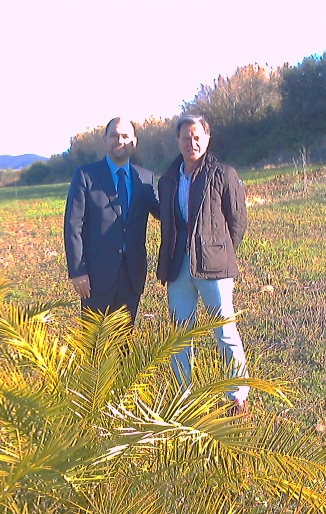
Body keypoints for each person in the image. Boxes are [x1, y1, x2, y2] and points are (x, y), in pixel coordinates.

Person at [157, 114, 249, 414]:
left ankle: (237, 396)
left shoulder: (223, 173)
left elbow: (237, 222)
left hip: (214, 268)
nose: (191, 143)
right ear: (178, 141)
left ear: (207, 139)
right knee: (181, 334)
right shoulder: (168, 180)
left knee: (224, 331)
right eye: (186, 137)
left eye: (197, 137)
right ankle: (183, 399)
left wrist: (218, 252)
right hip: (178, 268)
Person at [64, 117, 159, 323]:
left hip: (132, 274)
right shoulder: (85, 175)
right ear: (105, 140)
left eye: (125, 136)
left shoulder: (145, 178)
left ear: (134, 142)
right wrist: (78, 272)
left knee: (124, 341)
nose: (119, 140)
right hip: (96, 276)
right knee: (94, 344)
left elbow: (162, 212)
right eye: (114, 135)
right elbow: (73, 225)